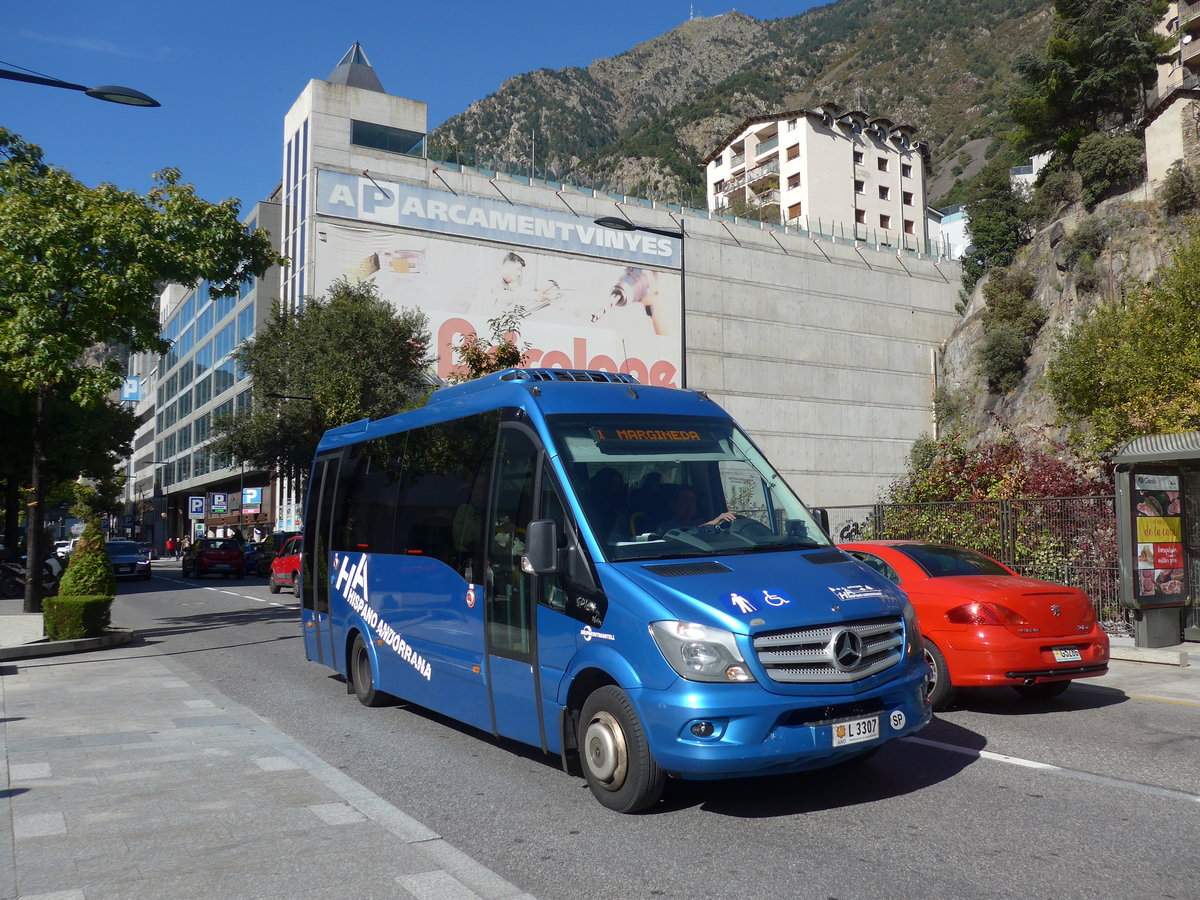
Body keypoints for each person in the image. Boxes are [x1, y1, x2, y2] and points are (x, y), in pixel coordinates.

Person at [655, 485, 735, 533]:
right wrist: (714, 522)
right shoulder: (665, 527)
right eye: (684, 501)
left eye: (692, 500)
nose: (690, 504)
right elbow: (686, 536)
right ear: (673, 505)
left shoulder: (699, 522)